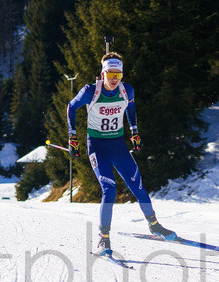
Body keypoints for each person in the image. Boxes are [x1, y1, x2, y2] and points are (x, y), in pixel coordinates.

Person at [66, 52, 175, 255]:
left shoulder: (127, 91)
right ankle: (103, 238)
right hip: (97, 147)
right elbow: (71, 106)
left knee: (138, 186)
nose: (114, 79)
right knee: (109, 189)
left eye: (118, 74)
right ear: (103, 73)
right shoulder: (91, 91)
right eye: (110, 74)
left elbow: (130, 110)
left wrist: (135, 132)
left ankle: (154, 226)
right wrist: (72, 137)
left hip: (118, 146)